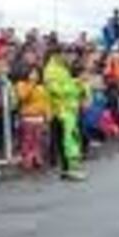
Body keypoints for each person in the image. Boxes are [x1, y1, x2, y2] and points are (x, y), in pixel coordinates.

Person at [44, 46, 87, 181]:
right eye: (67, 55)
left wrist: (80, 87)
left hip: (69, 110)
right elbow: (55, 90)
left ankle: (68, 169)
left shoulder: (63, 68)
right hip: (60, 111)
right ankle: (68, 170)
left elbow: (69, 87)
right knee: (67, 141)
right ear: (58, 55)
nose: (70, 58)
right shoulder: (51, 70)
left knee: (69, 140)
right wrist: (75, 85)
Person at [15, 67, 50, 171]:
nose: (34, 75)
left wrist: (48, 115)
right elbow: (23, 97)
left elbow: (46, 102)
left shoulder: (41, 87)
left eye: (36, 73)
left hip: (39, 118)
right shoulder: (21, 84)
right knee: (27, 140)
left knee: (38, 140)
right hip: (28, 118)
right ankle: (27, 160)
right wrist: (31, 84)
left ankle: (37, 158)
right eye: (32, 73)